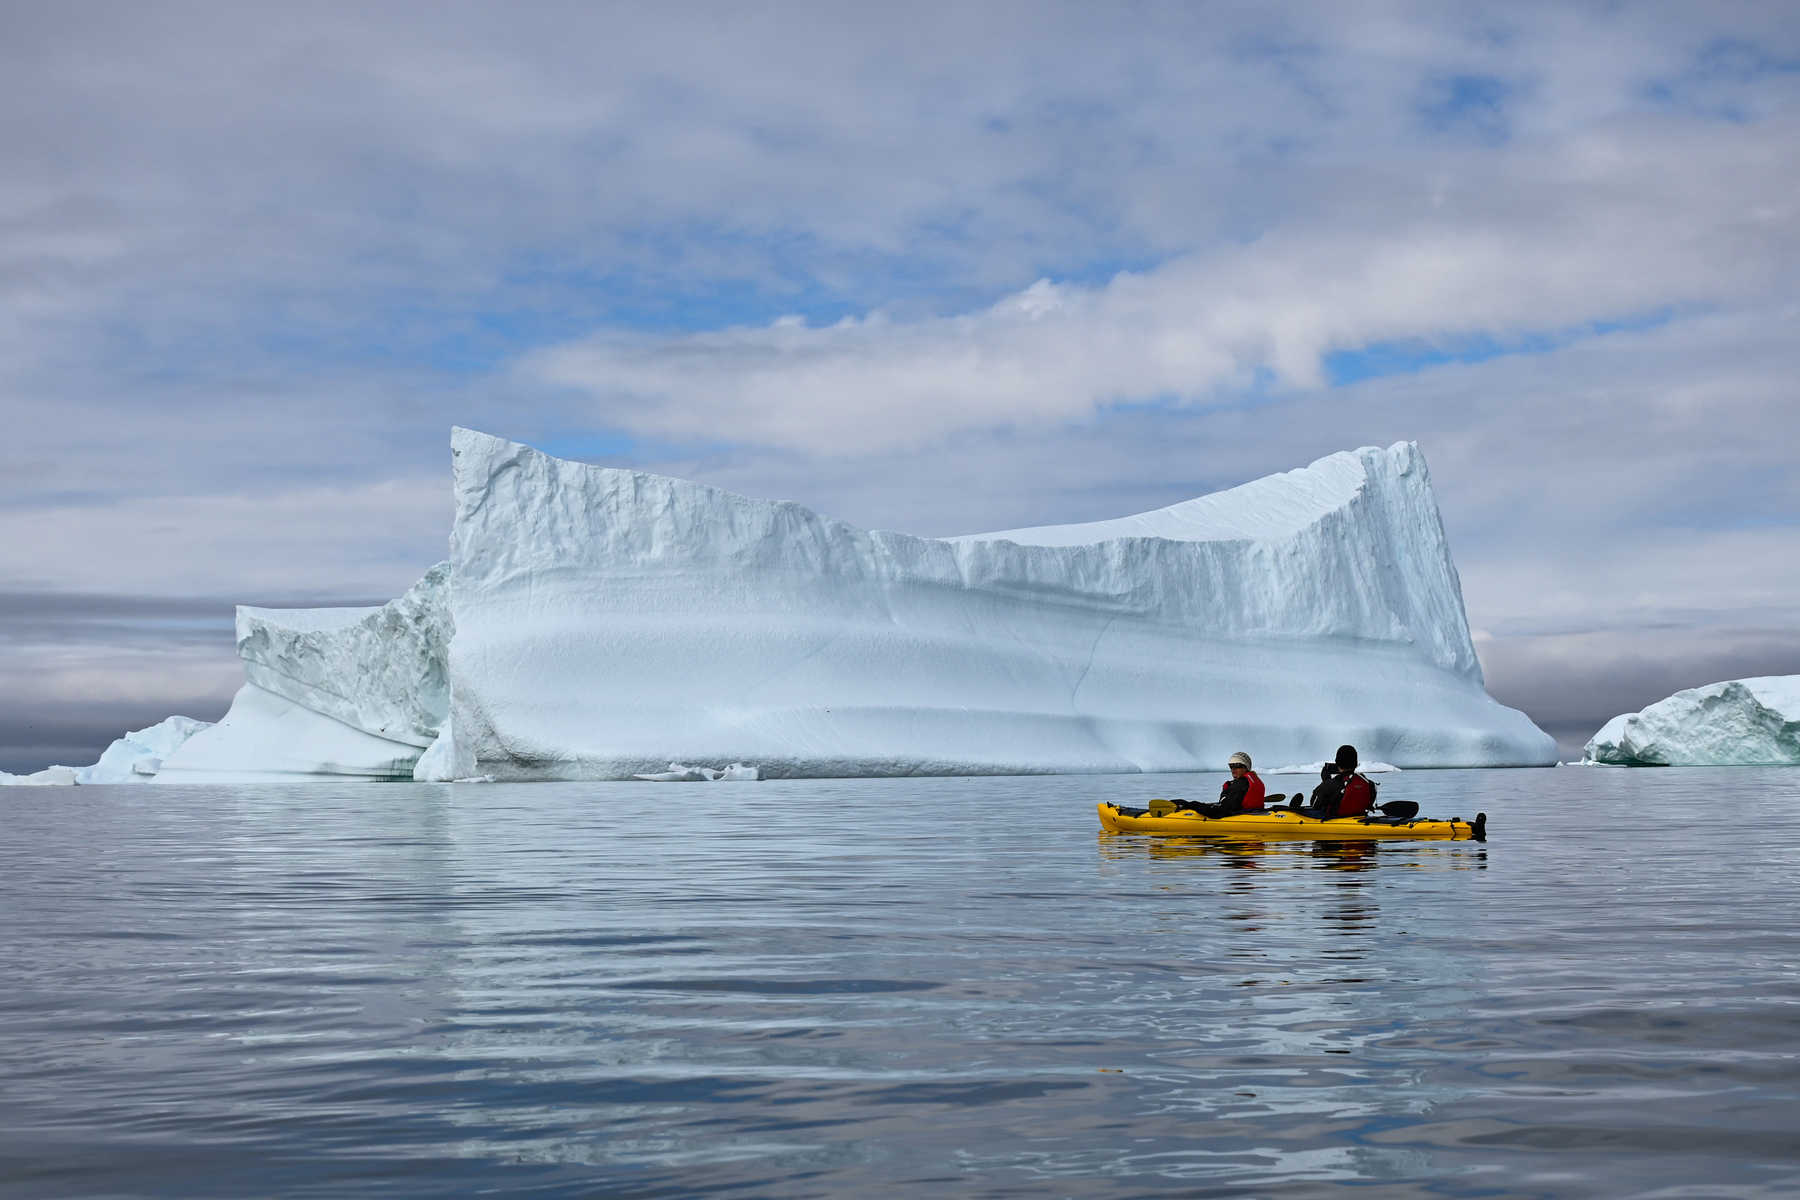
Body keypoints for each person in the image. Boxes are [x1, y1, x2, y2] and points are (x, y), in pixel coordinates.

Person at [1298, 745, 1377, 818]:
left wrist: (1325, 781)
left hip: (1335, 820)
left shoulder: (1330, 784)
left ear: (1337, 763)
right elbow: (1369, 804)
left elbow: (1314, 804)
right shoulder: (1369, 783)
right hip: (1360, 817)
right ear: (1356, 764)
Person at [1181, 751, 1265, 818]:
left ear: (1246, 767)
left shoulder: (1240, 784)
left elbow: (1223, 811)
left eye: (1237, 766)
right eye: (1231, 766)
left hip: (1239, 815)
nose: (1233, 769)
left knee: (1192, 804)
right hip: (1252, 812)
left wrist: (1192, 805)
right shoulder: (1254, 781)